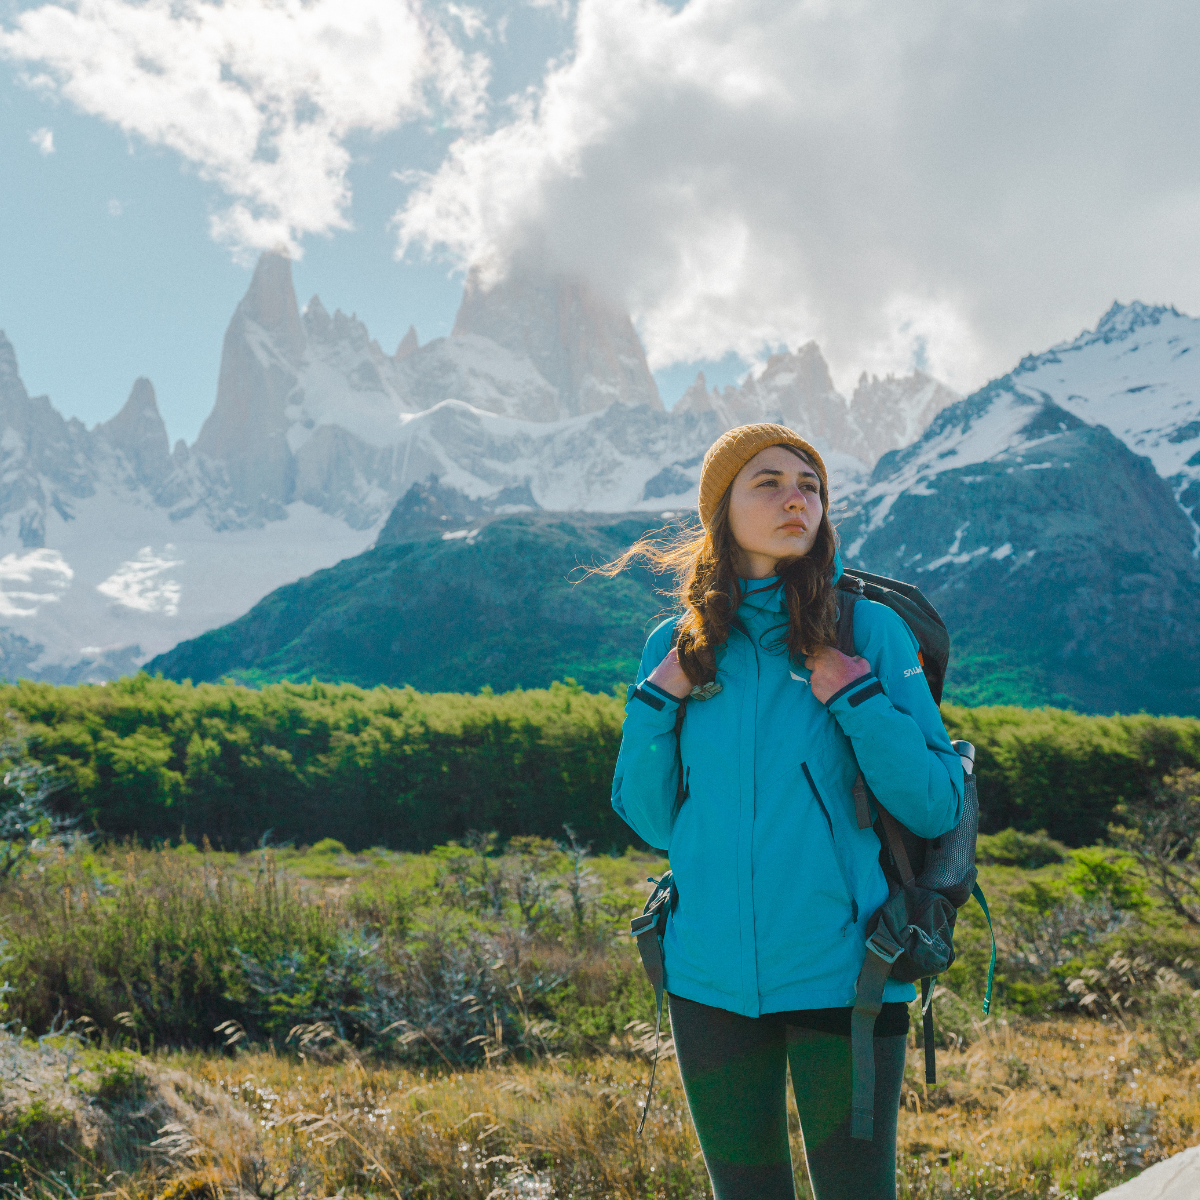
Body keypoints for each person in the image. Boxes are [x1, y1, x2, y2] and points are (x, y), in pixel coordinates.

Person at [609, 423, 964, 1200]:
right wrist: (656, 700)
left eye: (810, 486)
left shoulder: (867, 630)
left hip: (849, 976)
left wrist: (858, 696)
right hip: (705, 983)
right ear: (721, 510)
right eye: (767, 482)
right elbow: (654, 821)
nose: (795, 499)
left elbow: (937, 804)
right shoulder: (676, 644)